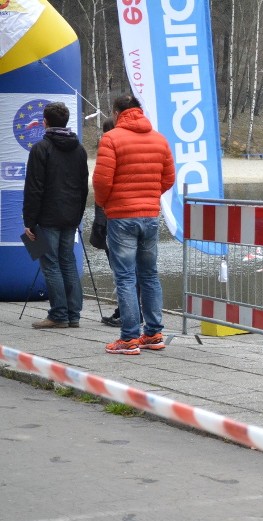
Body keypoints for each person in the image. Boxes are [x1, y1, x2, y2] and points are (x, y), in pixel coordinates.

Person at [92, 94, 175, 355]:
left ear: (117, 113)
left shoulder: (111, 138)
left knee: (126, 277)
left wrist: (106, 204)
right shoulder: (159, 139)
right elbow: (168, 178)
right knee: (149, 275)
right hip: (149, 216)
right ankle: (153, 333)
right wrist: (149, 196)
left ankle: (129, 337)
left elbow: (101, 182)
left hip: (121, 216)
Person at [23, 101, 89, 329]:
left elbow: (34, 187)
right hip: (70, 216)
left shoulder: (41, 148)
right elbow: (83, 187)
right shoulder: (79, 149)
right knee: (67, 261)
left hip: (48, 216)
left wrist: (29, 222)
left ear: (45, 122)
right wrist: (78, 214)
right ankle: (74, 315)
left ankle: (59, 314)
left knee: (50, 264)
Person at [90, 118, 121, 327]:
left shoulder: (110, 148)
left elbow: (102, 186)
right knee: (141, 271)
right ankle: (145, 315)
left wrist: (100, 224)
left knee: (121, 270)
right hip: (144, 216)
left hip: (115, 218)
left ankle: (126, 312)